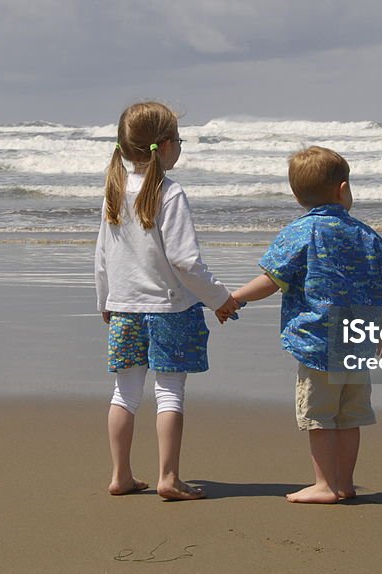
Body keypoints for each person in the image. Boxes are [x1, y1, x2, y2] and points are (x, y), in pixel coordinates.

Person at [228, 146, 382, 504]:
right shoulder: (367, 235)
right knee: (350, 417)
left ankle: (324, 484)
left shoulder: (299, 233)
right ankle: (345, 482)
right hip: (358, 343)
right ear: (343, 189)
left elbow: (271, 280)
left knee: (319, 416)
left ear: (296, 196)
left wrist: (236, 297)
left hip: (318, 342)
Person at [95, 101, 239, 501]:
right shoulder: (169, 193)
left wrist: (105, 300)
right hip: (170, 309)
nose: (181, 145)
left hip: (125, 308)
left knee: (124, 394)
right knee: (169, 393)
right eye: (178, 138)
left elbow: (102, 255)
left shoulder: (115, 189)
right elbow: (185, 260)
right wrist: (220, 299)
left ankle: (121, 475)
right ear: (163, 145)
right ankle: (168, 477)